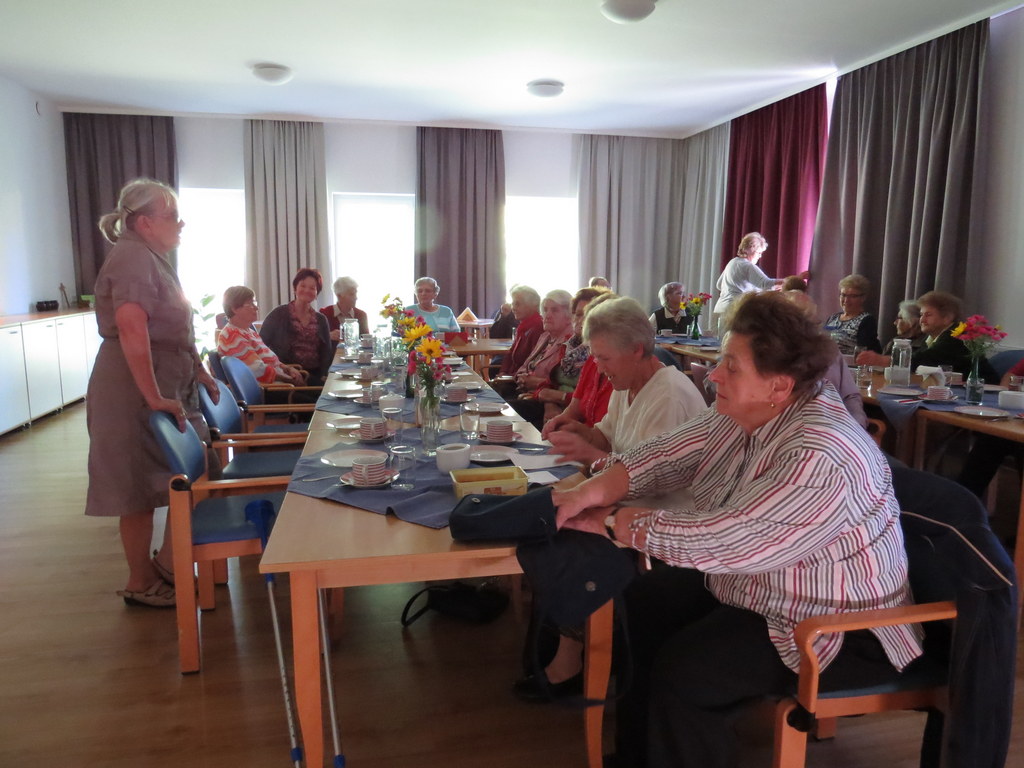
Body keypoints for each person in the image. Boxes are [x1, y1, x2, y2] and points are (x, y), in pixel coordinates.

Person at [554, 292, 922, 768]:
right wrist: (591, 491)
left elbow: (729, 539)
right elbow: (666, 454)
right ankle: (642, 754)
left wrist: (610, 522)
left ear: (779, 385)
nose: (713, 375)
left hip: (834, 625)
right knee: (642, 603)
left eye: (731, 365)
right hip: (762, 588)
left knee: (687, 670)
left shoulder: (821, 452)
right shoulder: (747, 412)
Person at [514, 296, 707, 701]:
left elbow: (647, 480)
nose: (599, 368)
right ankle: (556, 647)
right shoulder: (628, 382)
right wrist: (579, 433)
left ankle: (573, 661)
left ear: (636, 349)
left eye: (604, 358)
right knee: (551, 518)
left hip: (662, 523)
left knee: (570, 540)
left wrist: (590, 456)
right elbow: (607, 435)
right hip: (632, 507)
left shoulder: (668, 394)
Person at [85, 178, 220, 608]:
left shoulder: (151, 257)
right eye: (172, 216)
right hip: (132, 387)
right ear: (144, 222)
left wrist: (199, 370)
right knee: (137, 487)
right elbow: (131, 328)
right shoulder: (131, 258)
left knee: (198, 468)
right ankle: (141, 580)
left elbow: (174, 328)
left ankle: (166, 563)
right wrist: (153, 395)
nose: (181, 223)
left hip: (164, 380)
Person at [510, 287, 603, 429]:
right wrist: (550, 403)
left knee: (504, 415)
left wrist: (555, 397)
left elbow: (588, 401)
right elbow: (549, 383)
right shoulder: (569, 345)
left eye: (554, 310)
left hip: (574, 419)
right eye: (577, 314)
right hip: (548, 405)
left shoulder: (595, 354)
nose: (579, 320)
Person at [856, 290, 997, 382]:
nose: (922, 320)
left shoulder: (957, 336)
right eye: (921, 314)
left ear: (947, 317)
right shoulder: (931, 337)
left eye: (928, 315)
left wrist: (881, 360)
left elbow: (922, 360)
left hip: (984, 393)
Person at [784, 290, 867, 427]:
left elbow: (850, 396)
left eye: (814, 324)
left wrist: (856, 425)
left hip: (838, 428)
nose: (812, 332)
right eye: (804, 324)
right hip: (797, 429)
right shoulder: (775, 358)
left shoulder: (831, 353)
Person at [491, 290, 573, 403]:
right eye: (545, 310)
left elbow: (564, 384)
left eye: (554, 310)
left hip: (544, 400)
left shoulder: (571, 342)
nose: (548, 315)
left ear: (569, 316)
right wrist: (521, 377)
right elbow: (524, 366)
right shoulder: (545, 337)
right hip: (523, 390)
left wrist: (535, 382)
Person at [713, 232, 807, 325]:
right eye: (759, 252)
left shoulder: (732, 262)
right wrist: (795, 279)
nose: (760, 256)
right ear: (751, 249)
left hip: (720, 309)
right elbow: (765, 283)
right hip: (736, 310)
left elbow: (719, 285)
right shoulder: (747, 266)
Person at [218, 286, 306, 385]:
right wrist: (290, 380)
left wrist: (288, 369)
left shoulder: (249, 332)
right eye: (250, 304)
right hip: (270, 389)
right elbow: (257, 370)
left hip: (281, 384)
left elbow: (271, 361)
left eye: (255, 303)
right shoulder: (231, 335)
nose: (256, 308)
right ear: (234, 309)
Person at [260, 268, 333, 386]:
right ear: (295, 289)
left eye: (312, 288)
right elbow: (261, 346)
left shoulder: (321, 319)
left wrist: (324, 376)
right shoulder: (278, 314)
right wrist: (282, 369)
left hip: (314, 375)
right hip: (286, 375)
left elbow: (326, 353)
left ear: (316, 294)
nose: (307, 290)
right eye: (303, 286)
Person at [822, 274, 882, 354]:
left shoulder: (866, 321)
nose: (846, 300)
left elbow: (863, 351)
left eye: (852, 296)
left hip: (849, 361)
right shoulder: (833, 318)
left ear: (863, 298)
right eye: (843, 295)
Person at [497, 285, 544, 375]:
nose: (513, 308)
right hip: (511, 376)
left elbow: (531, 365)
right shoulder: (523, 327)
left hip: (520, 379)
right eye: (513, 304)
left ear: (533, 306)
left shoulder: (538, 328)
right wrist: (503, 372)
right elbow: (511, 353)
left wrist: (507, 377)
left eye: (517, 304)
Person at [320, 276, 368, 342]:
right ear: (339, 296)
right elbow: (316, 341)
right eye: (352, 294)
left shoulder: (361, 315)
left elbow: (367, 343)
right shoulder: (324, 314)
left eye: (356, 293)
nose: (356, 298)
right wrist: (328, 336)